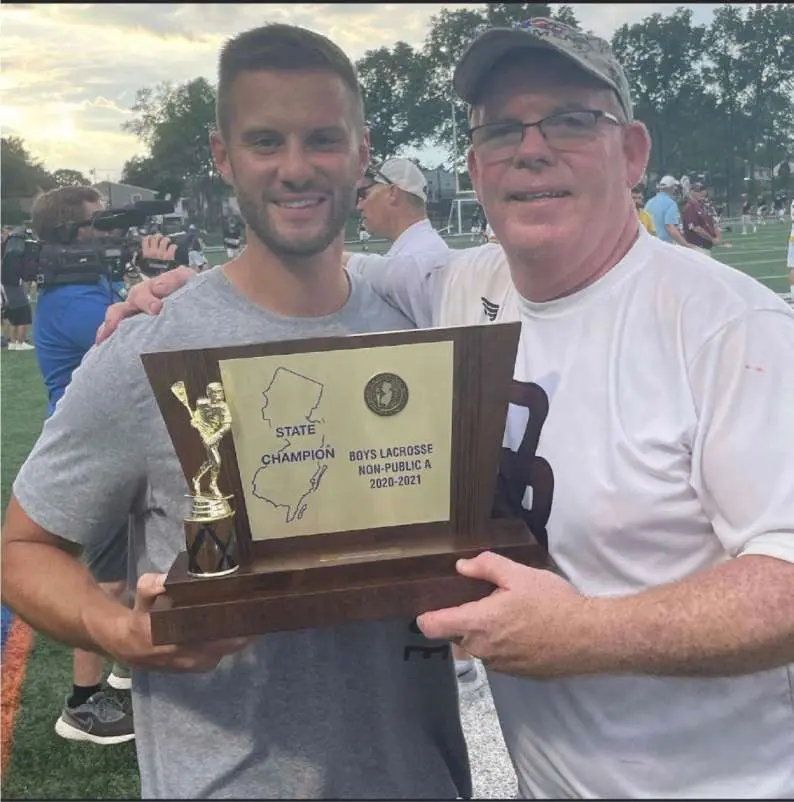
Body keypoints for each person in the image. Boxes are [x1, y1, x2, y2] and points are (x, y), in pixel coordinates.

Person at [108, 17, 794, 799]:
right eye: (502, 129)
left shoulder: (730, 329)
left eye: (572, 120)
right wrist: (179, 287)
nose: (532, 148)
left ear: (632, 151)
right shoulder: (458, 288)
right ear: (475, 166)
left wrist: (587, 633)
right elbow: (325, 269)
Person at [2, 24, 471, 800]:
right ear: (224, 157)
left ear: (362, 154)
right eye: (265, 141)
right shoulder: (147, 347)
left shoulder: (417, 331)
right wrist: (126, 633)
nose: (295, 168)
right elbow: (22, 546)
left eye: (323, 139)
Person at [27, 185, 135, 745]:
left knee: (135, 566)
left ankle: (120, 667)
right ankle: (83, 706)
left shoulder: (85, 284)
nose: (111, 228)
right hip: (92, 451)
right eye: (101, 221)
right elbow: (140, 342)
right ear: (73, 233)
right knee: (106, 581)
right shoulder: (73, 302)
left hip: (115, 439)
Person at [350, 158, 448, 264]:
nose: (359, 206)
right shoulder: (422, 248)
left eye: (364, 194)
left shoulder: (411, 259)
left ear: (392, 193)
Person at [1, 227, 35, 351]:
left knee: (12, 313)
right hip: (14, 283)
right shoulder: (18, 251)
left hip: (6, 283)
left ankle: (13, 342)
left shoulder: (8, 249)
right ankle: (20, 342)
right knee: (24, 312)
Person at [644, 175, 692, 247]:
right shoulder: (671, 204)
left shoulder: (649, 202)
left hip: (649, 243)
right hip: (664, 245)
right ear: (672, 188)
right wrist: (685, 244)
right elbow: (671, 228)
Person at [681, 180, 720, 251]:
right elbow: (696, 228)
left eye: (703, 190)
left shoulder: (702, 206)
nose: (702, 193)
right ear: (691, 192)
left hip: (705, 247)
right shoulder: (690, 207)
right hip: (696, 247)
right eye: (698, 191)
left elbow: (713, 224)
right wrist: (712, 239)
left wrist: (717, 237)